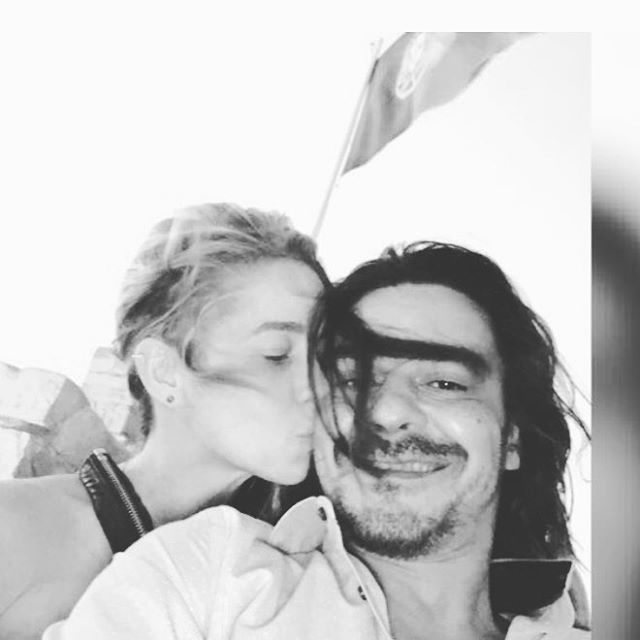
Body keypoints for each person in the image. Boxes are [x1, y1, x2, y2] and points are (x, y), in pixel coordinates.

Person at [43, 241, 590, 639]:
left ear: (512, 436)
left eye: (444, 383)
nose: (386, 411)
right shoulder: (204, 579)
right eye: (352, 380)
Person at [0, 203, 328, 640]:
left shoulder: (294, 564)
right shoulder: (15, 529)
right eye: (276, 354)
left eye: (326, 357)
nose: (317, 386)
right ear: (163, 372)